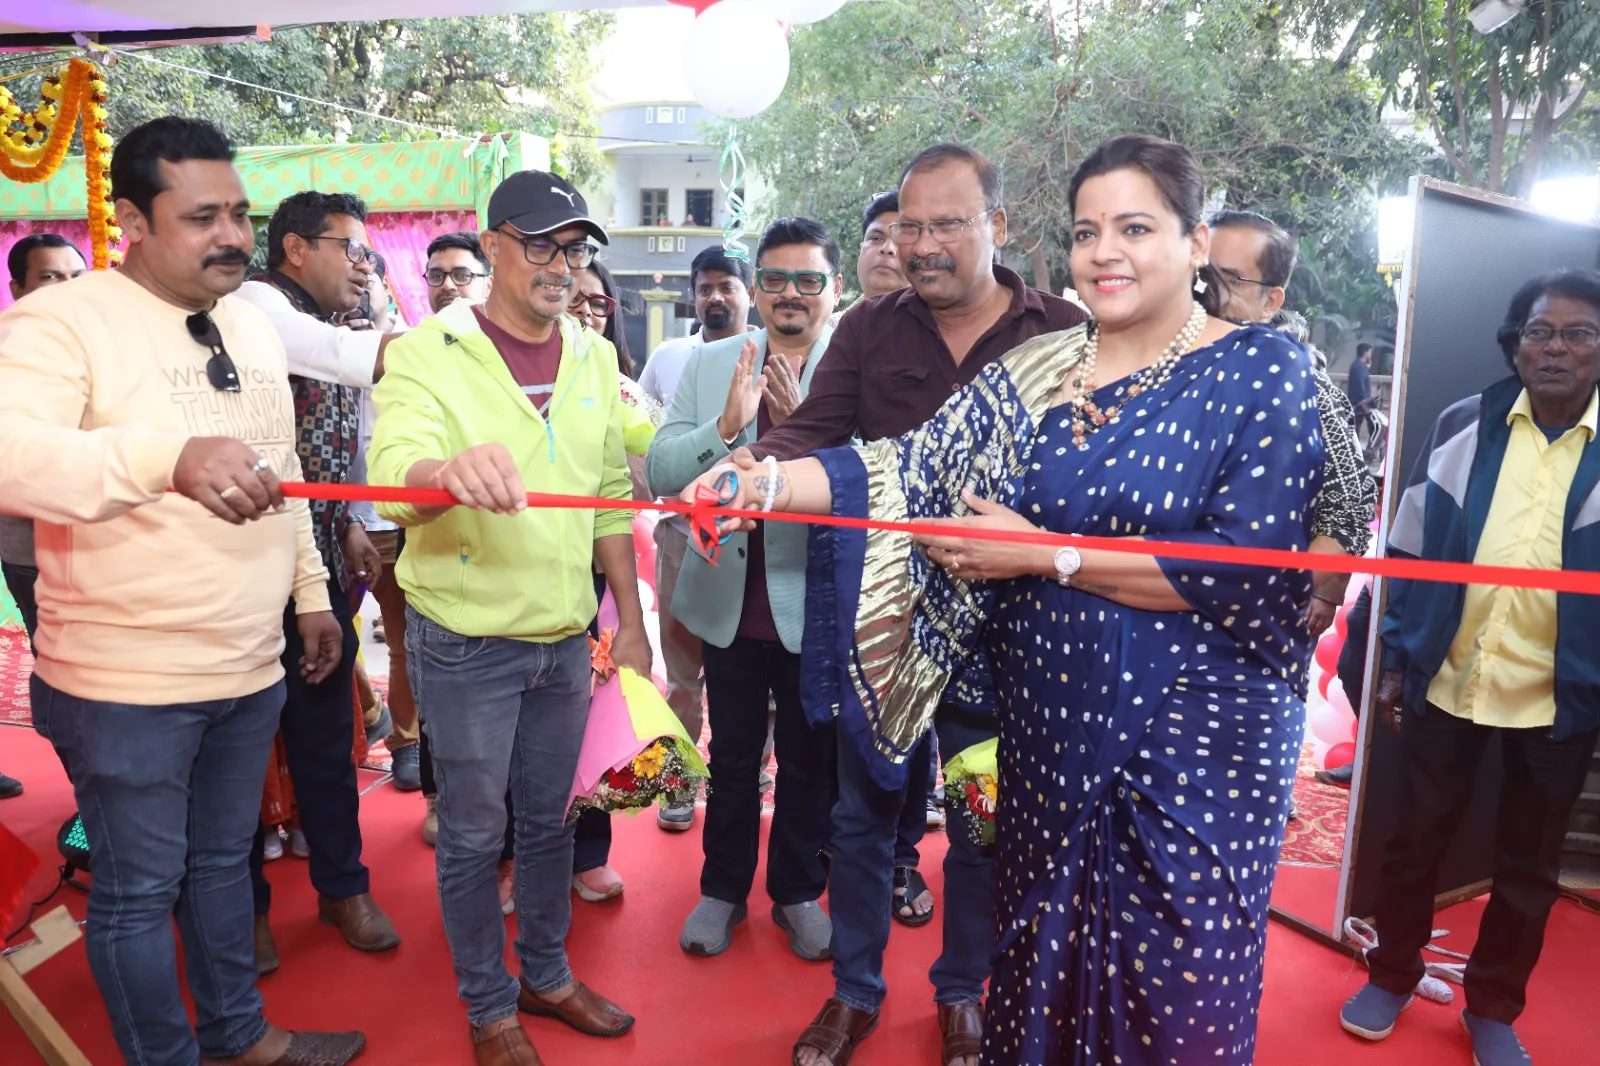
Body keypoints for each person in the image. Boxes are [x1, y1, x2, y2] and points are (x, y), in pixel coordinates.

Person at [695, 133, 1322, 1066]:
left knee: (1170, 999)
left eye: (1135, 227)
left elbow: (1244, 570)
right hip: (1052, 723)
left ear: (1196, 242)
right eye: (1087, 229)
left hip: (1191, 752)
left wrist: (1047, 556)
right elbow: (907, 463)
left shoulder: (1264, 369)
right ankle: (881, 997)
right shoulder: (1047, 368)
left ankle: (961, 999)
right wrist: (763, 486)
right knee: (1041, 977)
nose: (1105, 250)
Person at [0, 116, 363, 1066]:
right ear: (132, 220)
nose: (232, 236)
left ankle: (240, 1037)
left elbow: (280, 472)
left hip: (248, 665)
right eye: (202, 216)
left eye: (239, 213)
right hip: (125, 685)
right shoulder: (58, 321)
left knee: (221, 868)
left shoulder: (250, 321)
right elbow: (11, 456)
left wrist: (312, 594)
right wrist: (169, 457)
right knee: (134, 893)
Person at [737, 143, 1089, 1066]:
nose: (922, 246)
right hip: (888, 622)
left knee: (979, 821)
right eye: (908, 228)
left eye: (945, 225)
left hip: (1009, 629)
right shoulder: (867, 329)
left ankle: (963, 993)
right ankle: (854, 993)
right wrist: (748, 472)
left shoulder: (1066, 331)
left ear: (996, 228)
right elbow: (810, 436)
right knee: (860, 817)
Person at [369, 170, 644, 1066]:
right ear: (489, 245)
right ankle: (489, 1007)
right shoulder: (425, 350)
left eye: (574, 250)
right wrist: (440, 473)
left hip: (567, 640)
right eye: (540, 245)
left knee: (552, 821)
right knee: (476, 834)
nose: (561, 266)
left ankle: (547, 975)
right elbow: (393, 469)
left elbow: (610, 497)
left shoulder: (597, 357)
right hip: (464, 644)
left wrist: (628, 620)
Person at [1340, 269, 1600, 1066]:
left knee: (1528, 864)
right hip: (1450, 676)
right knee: (1414, 840)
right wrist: (1392, 661)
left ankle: (1491, 1006)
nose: (1555, 348)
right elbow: (1411, 548)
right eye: (1538, 332)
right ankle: (1391, 973)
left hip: (1562, 696)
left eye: (1578, 333)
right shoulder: (1464, 424)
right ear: (1515, 346)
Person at [647, 217, 842, 962]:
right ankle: (722, 890)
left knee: (807, 760)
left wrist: (801, 440)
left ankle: (797, 891)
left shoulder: (852, 367)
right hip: (724, 599)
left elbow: (875, 483)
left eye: (809, 280)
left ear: (835, 289)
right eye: (776, 280)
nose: (791, 295)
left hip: (814, 603)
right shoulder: (713, 361)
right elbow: (666, 474)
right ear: (755, 288)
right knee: (729, 759)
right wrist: (726, 427)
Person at [241, 190, 401, 974]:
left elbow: (318, 455)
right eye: (352, 249)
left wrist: (345, 525)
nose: (364, 266)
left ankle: (342, 887)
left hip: (320, 562)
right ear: (297, 249)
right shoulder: (256, 307)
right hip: (250, 572)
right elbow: (355, 361)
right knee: (238, 749)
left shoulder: (324, 319)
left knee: (323, 740)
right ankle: (247, 915)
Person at [1208, 209, 1375, 638]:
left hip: (1246, 644)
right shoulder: (1153, 375)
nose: (1207, 293)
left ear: (1272, 301)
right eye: (1200, 275)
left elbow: (1350, 512)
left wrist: (1265, 591)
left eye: (1229, 279)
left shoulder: (1308, 392)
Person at [639, 246, 756, 830]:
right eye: (705, 287)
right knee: (683, 669)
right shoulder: (669, 357)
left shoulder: (770, 353)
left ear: (748, 294)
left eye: (727, 286)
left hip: (749, 540)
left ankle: (751, 771)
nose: (715, 297)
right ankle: (679, 781)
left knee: (752, 675)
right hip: (683, 536)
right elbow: (650, 443)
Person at [0, 232, 87, 801]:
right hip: (34, 552)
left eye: (76, 279)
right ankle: (91, 801)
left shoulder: (106, 351)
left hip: (110, 549)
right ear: (18, 289)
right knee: (59, 676)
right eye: (51, 278)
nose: (67, 292)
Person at [424, 230, 492, 315]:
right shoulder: (422, 328)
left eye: (461, 275)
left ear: (488, 287)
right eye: (437, 276)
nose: (447, 285)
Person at [1349, 340, 1376, 431]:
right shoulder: (1358, 367)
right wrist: (1365, 400)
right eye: (1370, 352)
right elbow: (1360, 384)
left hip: (1362, 402)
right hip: (1360, 402)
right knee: (1358, 426)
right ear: (1365, 353)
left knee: (1360, 425)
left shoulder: (1360, 366)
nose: (1371, 355)